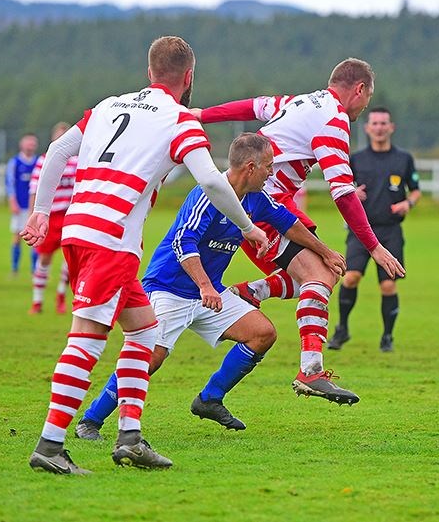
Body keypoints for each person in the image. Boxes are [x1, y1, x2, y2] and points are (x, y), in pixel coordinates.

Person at [21, 35, 268, 475]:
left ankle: (130, 438)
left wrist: (41, 213)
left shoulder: (106, 106)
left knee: (142, 331)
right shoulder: (179, 120)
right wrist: (248, 228)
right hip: (111, 240)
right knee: (87, 339)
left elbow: (58, 151)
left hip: (81, 229)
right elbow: (212, 183)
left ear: (148, 71)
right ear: (189, 77)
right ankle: (50, 445)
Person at [74, 133, 347, 440]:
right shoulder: (208, 192)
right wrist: (205, 287)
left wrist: (325, 252)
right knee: (150, 357)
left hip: (209, 291)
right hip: (169, 288)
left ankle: (209, 399)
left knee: (262, 334)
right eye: (269, 166)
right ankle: (91, 420)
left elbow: (288, 223)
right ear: (250, 167)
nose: (272, 172)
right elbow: (183, 241)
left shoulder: (257, 198)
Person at [193, 58, 405, 404]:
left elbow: (250, 106)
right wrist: (375, 247)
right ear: (360, 89)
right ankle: (310, 370)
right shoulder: (333, 120)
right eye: (368, 98)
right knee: (321, 273)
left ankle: (252, 293)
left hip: (263, 205)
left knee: (326, 272)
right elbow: (343, 193)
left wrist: (202, 114)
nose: (365, 107)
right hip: (263, 207)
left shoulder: (300, 101)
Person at [328, 107, 420, 353]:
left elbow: (416, 190)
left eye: (384, 123)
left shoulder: (403, 159)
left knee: (388, 285)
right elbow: (341, 186)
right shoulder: (356, 159)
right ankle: (342, 329)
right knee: (350, 277)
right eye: (375, 123)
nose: (379, 127)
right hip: (361, 230)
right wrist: (352, 192)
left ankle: (387, 337)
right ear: (368, 128)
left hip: (390, 231)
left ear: (391, 128)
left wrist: (408, 203)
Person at [27, 122, 77, 315]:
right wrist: (33, 213)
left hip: (68, 215)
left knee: (70, 258)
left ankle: (61, 295)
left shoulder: (76, 161)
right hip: (50, 215)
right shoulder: (44, 159)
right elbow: (34, 188)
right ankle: (37, 301)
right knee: (45, 257)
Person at [6, 133, 39, 277]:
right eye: (28, 142)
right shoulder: (15, 162)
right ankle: (14, 269)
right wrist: (12, 202)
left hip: (35, 208)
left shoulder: (38, 162)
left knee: (36, 238)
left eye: (33, 143)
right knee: (17, 236)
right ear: (22, 144)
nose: (30, 145)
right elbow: (10, 184)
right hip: (20, 207)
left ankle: (35, 270)